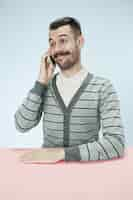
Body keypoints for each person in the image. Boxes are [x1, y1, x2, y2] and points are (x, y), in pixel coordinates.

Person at [14, 16, 126, 163]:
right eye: (52, 43)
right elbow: (21, 125)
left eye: (63, 40)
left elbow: (115, 144)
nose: (57, 49)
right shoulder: (44, 87)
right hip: (46, 173)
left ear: (79, 42)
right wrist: (40, 83)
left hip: (89, 173)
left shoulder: (103, 87)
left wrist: (61, 154)